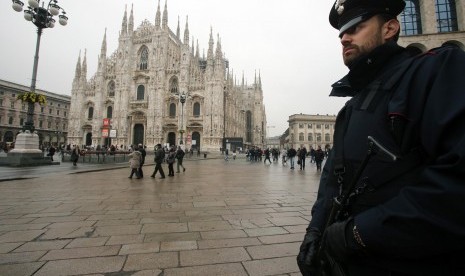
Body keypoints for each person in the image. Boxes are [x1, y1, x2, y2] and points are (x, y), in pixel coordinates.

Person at [297, 1, 465, 276]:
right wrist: (315, 231)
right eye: (341, 34)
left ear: (389, 28)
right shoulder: (353, 105)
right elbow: (332, 181)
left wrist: (358, 233)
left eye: (356, 27)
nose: (345, 38)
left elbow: (457, 181)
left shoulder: (436, 71)